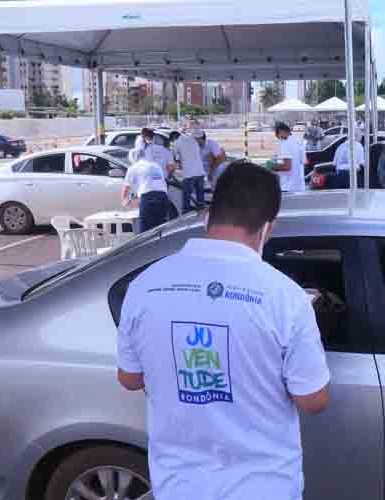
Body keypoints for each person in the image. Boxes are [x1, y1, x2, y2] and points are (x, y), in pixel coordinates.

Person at [116, 161, 330, 500]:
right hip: (264, 488)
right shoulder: (286, 298)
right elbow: (314, 399)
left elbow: (129, 379)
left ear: (208, 216)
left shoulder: (145, 286)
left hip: (178, 487)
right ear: (267, 228)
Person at [121, 148, 172, 232]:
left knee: (145, 233)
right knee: (161, 229)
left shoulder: (133, 168)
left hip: (148, 199)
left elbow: (126, 188)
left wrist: (125, 202)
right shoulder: (155, 165)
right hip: (163, 198)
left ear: (133, 158)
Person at [171, 129, 206, 212]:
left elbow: (176, 159)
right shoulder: (193, 139)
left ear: (173, 139)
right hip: (200, 172)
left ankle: (185, 220)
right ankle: (201, 218)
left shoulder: (176, 143)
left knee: (186, 200)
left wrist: (178, 166)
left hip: (189, 174)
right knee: (200, 199)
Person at [272, 122, 306, 193]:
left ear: (281, 132)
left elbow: (287, 166)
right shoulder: (298, 141)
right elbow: (303, 161)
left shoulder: (285, 144)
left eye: (277, 135)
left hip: (287, 186)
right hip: (299, 186)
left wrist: (272, 166)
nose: (278, 138)